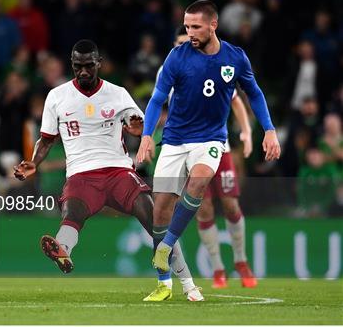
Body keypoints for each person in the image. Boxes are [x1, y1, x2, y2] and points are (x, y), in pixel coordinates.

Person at [14, 40, 203, 302]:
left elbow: (137, 123)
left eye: (89, 66)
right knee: (72, 212)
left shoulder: (118, 94)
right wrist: (34, 162)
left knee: (157, 221)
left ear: (98, 64)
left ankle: (188, 284)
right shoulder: (56, 97)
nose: (83, 72)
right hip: (81, 174)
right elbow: (46, 140)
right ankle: (62, 250)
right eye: (78, 66)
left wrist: (139, 128)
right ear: (72, 64)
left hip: (118, 171)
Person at [137, 0, 280, 300]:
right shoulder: (176, 58)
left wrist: (268, 129)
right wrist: (147, 136)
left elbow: (253, 93)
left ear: (213, 25)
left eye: (196, 27)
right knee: (160, 208)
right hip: (174, 140)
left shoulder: (235, 58)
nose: (190, 32)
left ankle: (165, 247)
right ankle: (164, 283)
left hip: (210, 139)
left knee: (199, 181)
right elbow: (156, 99)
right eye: (187, 26)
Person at [172, 25, 258, 288]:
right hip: (190, 153)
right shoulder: (171, 73)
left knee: (230, 204)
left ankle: (241, 262)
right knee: (204, 207)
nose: (184, 47)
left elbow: (235, 100)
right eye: (179, 44)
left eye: (187, 42)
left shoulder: (208, 68)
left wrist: (246, 132)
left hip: (219, 150)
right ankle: (218, 268)